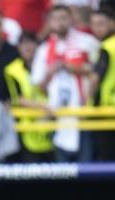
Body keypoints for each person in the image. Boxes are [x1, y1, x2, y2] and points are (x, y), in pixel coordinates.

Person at [31, 4, 99, 162]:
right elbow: (38, 87)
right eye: (56, 19)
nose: (60, 22)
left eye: (64, 18)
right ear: (49, 22)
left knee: (86, 169)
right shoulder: (44, 49)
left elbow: (99, 71)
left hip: (83, 115)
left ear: (71, 19)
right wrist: (50, 73)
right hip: (57, 118)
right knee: (63, 172)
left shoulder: (87, 42)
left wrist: (75, 69)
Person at [4, 33, 54, 162]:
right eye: (23, 43)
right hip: (27, 129)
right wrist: (44, 107)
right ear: (18, 47)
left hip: (52, 125)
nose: (27, 47)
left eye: (31, 43)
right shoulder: (12, 70)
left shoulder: (48, 65)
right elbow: (17, 98)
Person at [92, 8, 115, 161]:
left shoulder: (107, 46)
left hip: (106, 109)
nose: (97, 28)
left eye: (101, 23)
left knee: (107, 159)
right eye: (94, 24)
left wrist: (88, 100)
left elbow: (96, 77)